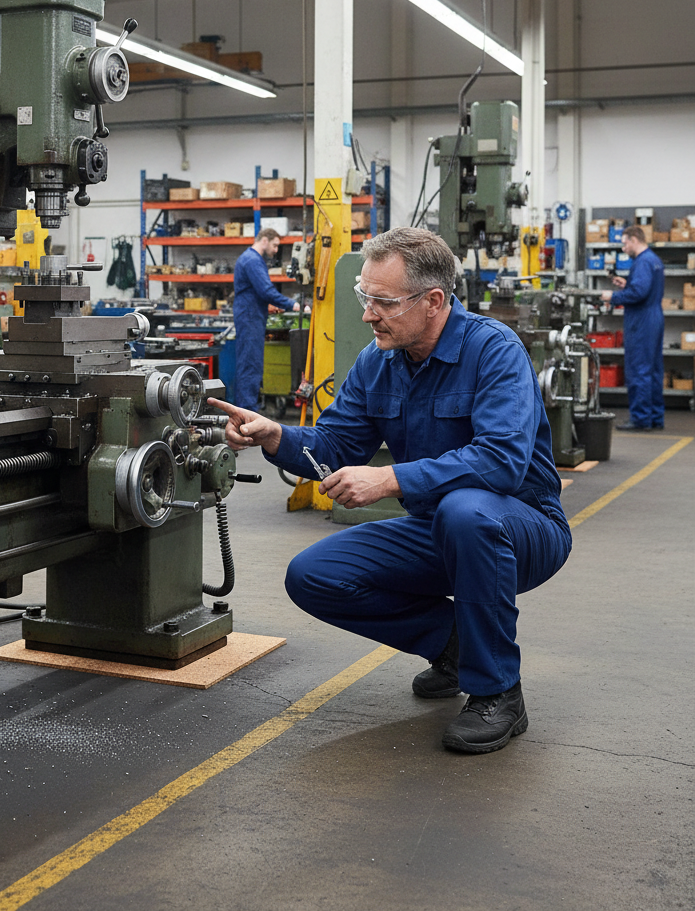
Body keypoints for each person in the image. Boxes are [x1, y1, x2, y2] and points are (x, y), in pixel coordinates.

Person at [208, 227, 572, 754]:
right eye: (365, 297)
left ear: (434, 301)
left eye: (383, 301)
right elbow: (336, 441)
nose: (368, 314)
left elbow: (502, 463)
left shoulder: (493, 351)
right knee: (314, 575)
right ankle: (455, 647)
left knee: (466, 511)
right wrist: (277, 435)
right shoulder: (377, 364)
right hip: (436, 528)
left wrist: (391, 478)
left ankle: (498, 693)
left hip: (522, 527)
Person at [600, 226, 664, 431]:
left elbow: (639, 293)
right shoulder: (653, 260)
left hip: (642, 320)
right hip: (653, 316)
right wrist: (626, 284)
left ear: (635, 239)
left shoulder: (643, 261)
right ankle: (655, 417)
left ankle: (641, 418)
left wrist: (613, 296)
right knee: (652, 370)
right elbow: (641, 287)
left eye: (625, 242)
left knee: (639, 370)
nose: (623, 247)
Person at [232, 228, 300, 411]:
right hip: (250, 318)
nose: (276, 250)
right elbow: (266, 291)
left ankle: (246, 411)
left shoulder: (249, 258)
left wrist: (268, 306)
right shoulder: (253, 260)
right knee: (250, 365)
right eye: (275, 245)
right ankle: (247, 414)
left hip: (251, 315)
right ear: (264, 240)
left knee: (249, 364)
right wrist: (292, 304)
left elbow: (255, 293)